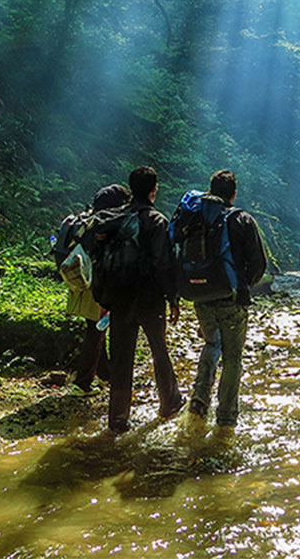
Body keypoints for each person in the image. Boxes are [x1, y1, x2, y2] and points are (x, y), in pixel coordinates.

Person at [106, 166, 183, 433]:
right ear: (154, 190)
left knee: (121, 359)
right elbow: (164, 263)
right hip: (150, 299)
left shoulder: (115, 218)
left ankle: (117, 419)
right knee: (159, 350)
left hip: (119, 298)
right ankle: (169, 403)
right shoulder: (157, 220)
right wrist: (173, 298)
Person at [187, 169, 267, 431]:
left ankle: (199, 399)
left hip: (199, 294)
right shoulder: (241, 219)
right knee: (233, 356)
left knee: (211, 343)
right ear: (233, 194)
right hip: (231, 298)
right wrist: (243, 285)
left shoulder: (194, 216)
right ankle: (226, 417)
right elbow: (258, 263)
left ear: (210, 190)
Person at [61, 183, 129, 397]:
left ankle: (105, 374)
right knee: (95, 330)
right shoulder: (107, 225)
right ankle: (82, 384)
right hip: (96, 284)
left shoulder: (89, 221)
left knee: (96, 327)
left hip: (81, 277)